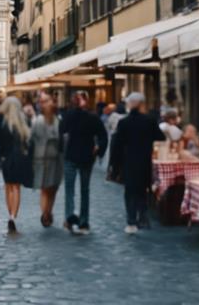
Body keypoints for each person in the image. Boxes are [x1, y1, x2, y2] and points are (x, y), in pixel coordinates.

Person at [109, 93, 165, 234]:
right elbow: (160, 136)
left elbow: (117, 145)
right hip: (144, 160)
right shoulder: (149, 121)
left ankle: (131, 220)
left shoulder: (124, 122)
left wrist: (114, 166)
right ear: (141, 104)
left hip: (128, 161)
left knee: (130, 191)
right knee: (142, 190)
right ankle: (143, 216)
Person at [60, 90, 108, 235]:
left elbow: (102, 136)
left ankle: (79, 220)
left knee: (80, 190)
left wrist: (99, 148)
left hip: (81, 157)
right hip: (80, 156)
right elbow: (62, 129)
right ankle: (77, 219)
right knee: (78, 190)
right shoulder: (76, 115)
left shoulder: (87, 117)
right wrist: (99, 149)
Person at [0, 96, 33, 233]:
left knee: (8, 187)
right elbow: (30, 141)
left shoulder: (1, 122)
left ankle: (10, 215)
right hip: (20, 157)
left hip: (5, 157)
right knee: (16, 188)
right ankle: (13, 216)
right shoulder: (23, 120)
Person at [30, 93, 63, 228]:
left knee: (51, 188)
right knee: (46, 188)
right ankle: (46, 214)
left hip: (53, 158)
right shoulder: (38, 121)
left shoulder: (58, 119)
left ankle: (47, 212)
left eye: (47, 101)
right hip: (44, 159)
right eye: (43, 102)